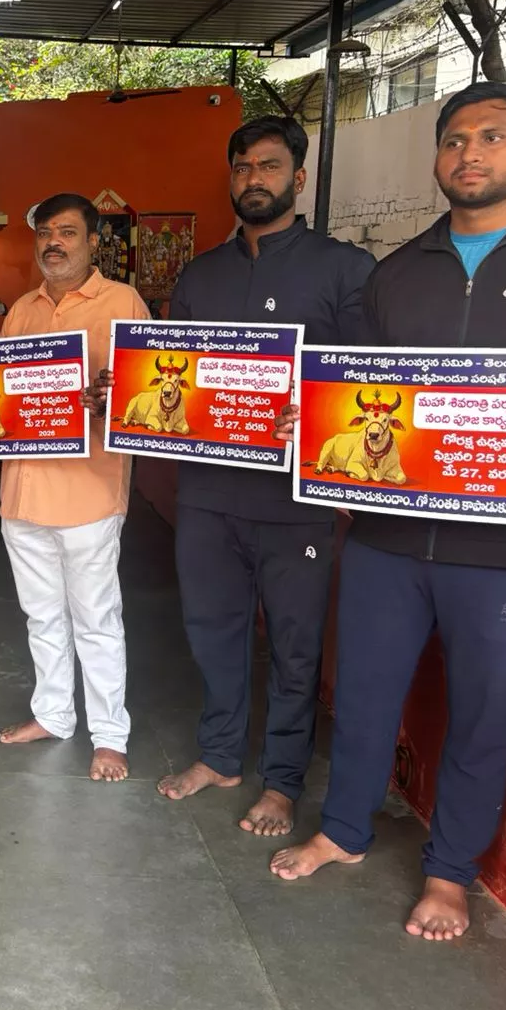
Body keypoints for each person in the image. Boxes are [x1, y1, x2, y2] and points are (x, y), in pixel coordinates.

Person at [270, 82, 506, 940]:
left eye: (492, 138)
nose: (471, 153)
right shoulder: (399, 274)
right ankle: (344, 830)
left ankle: (450, 873)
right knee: (361, 694)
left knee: (482, 711)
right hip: (389, 537)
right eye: (456, 139)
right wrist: (309, 416)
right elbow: (358, 393)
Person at [156, 118, 374, 831]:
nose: (254, 178)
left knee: (294, 644)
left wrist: (314, 415)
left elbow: (369, 381)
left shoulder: (343, 270)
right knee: (212, 631)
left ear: (298, 178)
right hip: (209, 497)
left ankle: (281, 783)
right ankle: (220, 756)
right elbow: (175, 382)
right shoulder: (200, 275)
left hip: (296, 502)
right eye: (243, 166)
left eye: (270, 166)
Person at [0, 194, 149, 781]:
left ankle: (110, 735)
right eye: (45, 233)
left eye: (67, 232)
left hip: (88, 493)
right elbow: (2, 399)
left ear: (93, 242)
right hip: (23, 493)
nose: (53, 243)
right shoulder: (22, 310)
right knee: (40, 616)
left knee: (96, 618)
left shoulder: (123, 303)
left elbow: (150, 396)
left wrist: (108, 399)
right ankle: (54, 713)